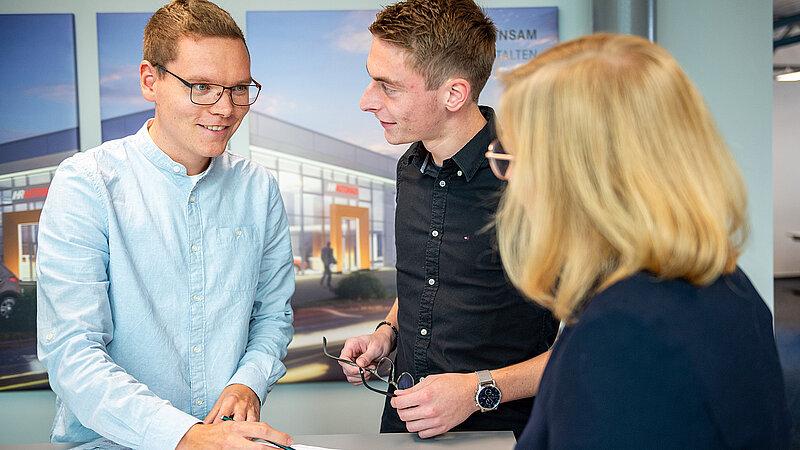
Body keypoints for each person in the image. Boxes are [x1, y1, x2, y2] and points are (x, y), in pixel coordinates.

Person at [486, 33, 791, 448]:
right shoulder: (727, 286)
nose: (512, 181)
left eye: (513, 157)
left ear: (576, 178)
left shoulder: (624, 338)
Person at [36, 1, 295, 448]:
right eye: (201, 86)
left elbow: (271, 317)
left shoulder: (259, 189)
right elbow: (72, 354)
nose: (225, 108)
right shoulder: (86, 184)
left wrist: (247, 383)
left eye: (238, 89)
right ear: (149, 81)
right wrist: (184, 437)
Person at [337, 0, 558, 439]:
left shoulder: (536, 178)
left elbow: (588, 342)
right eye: (370, 80)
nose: (366, 101)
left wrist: (476, 390)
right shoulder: (410, 166)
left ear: (454, 94)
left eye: (388, 86)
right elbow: (430, 278)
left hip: (506, 432)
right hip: (404, 423)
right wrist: (388, 332)